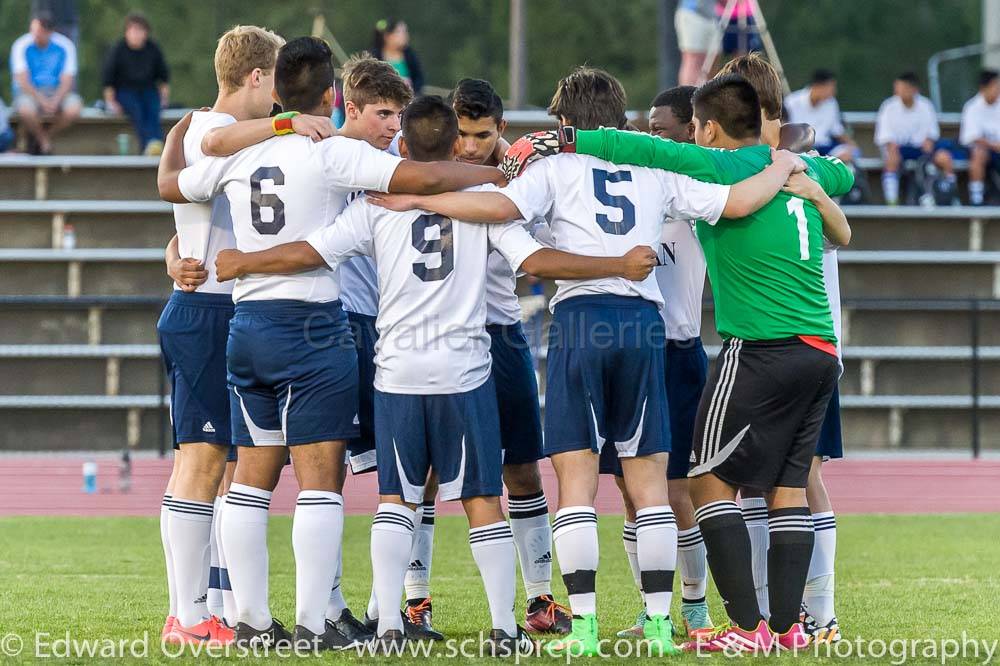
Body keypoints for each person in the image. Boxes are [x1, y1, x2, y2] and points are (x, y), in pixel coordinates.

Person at [366, 67, 809, 658]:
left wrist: (419, 197)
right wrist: (781, 164)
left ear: (565, 123)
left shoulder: (554, 167)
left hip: (581, 322)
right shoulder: (656, 166)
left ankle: (585, 628)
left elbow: (497, 207)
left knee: (575, 479)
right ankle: (657, 625)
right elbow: (734, 203)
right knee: (648, 478)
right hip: (643, 324)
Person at [212, 94, 656, 654]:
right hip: (464, 370)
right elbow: (536, 262)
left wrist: (244, 262)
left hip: (397, 371)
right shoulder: (483, 200)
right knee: (481, 499)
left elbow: (311, 252)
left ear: (406, 148)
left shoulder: (376, 206)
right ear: (450, 149)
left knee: (396, 499)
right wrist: (618, 264)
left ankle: (392, 624)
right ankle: (502, 626)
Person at [158, 36, 508, 650]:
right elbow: (422, 174)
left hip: (247, 324)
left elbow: (186, 175)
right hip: (314, 324)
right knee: (320, 483)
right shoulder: (332, 153)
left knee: (250, 480)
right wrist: (498, 171)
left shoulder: (241, 151)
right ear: (331, 97)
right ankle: (315, 622)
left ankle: (252, 620)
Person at [532, 73, 853, 653]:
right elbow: (846, 175)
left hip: (757, 347)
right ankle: (790, 629)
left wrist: (565, 142)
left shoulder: (716, 168)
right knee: (788, 486)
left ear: (706, 129)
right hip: (821, 351)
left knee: (704, 486)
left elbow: (641, 149)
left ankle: (745, 626)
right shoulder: (809, 169)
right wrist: (794, 170)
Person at [385, 77, 572, 638]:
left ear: (501, 131)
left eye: (481, 135)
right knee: (428, 476)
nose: (468, 146)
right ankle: (415, 602)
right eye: (461, 135)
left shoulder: (528, 181)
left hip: (502, 333)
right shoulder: (437, 174)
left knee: (521, 468)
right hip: (444, 341)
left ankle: (539, 597)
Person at [154, 24, 287, 647]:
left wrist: (174, 252)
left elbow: (187, 217)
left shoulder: (213, 132)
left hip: (219, 305)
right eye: (275, 81)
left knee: (226, 465)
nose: (279, 99)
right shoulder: (214, 130)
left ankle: (214, 603)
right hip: (208, 310)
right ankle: (187, 616)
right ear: (255, 77)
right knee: (201, 463)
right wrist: (291, 127)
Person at [608, 85, 713, 642]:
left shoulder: (692, 195)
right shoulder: (636, 191)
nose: (651, 135)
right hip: (629, 348)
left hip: (676, 354)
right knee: (630, 491)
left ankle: (695, 609)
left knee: (677, 493)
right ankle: (652, 610)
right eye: (646, 126)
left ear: (693, 131)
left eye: (661, 126)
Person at [875, 72, 955, 205]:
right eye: (897, 87)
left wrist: (928, 146)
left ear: (914, 89)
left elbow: (931, 135)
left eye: (903, 88)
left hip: (921, 149)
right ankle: (892, 201)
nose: (899, 91)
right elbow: (886, 139)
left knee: (944, 158)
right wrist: (892, 149)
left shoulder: (926, 105)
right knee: (891, 159)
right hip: (899, 149)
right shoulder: (888, 107)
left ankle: (949, 195)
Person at [9, 10, 82, 155]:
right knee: (25, 109)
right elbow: (22, 80)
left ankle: (45, 137)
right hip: (30, 92)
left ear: (49, 32)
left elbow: (67, 80)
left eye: (39, 32)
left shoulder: (65, 46)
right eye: (33, 30)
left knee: (75, 107)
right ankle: (42, 140)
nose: (34, 35)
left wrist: (55, 100)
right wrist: (42, 100)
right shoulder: (21, 45)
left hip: (57, 91)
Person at [102, 12, 171, 155]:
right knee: (137, 110)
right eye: (132, 30)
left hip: (148, 90)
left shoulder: (153, 49)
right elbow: (108, 80)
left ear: (146, 33)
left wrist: (164, 99)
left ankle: (154, 144)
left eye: (139, 30)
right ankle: (151, 145)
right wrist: (111, 102)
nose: (135, 34)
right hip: (125, 91)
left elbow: (163, 78)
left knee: (153, 109)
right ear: (126, 32)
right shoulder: (118, 50)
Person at [784, 70, 857, 164]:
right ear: (817, 86)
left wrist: (852, 145)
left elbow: (837, 130)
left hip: (825, 146)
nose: (833, 92)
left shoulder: (831, 103)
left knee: (847, 154)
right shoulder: (792, 102)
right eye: (830, 88)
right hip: (800, 148)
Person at [960, 70, 1000, 206]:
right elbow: (972, 137)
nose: (998, 89)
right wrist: (994, 145)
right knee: (978, 154)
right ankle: (976, 201)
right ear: (984, 88)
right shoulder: (972, 107)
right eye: (995, 86)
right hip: (980, 151)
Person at [372, 18, 424, 94]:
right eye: (400, 32)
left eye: (406, 32)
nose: (405, 36)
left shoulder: (410, 55)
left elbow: (419, 79)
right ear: (387, 36)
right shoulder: (375, 56)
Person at [675, 0, 717, 86]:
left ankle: (709, 96)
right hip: (693, 13)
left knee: (712, 60)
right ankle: (688, 96)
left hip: (714, 16)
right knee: (693, 60)